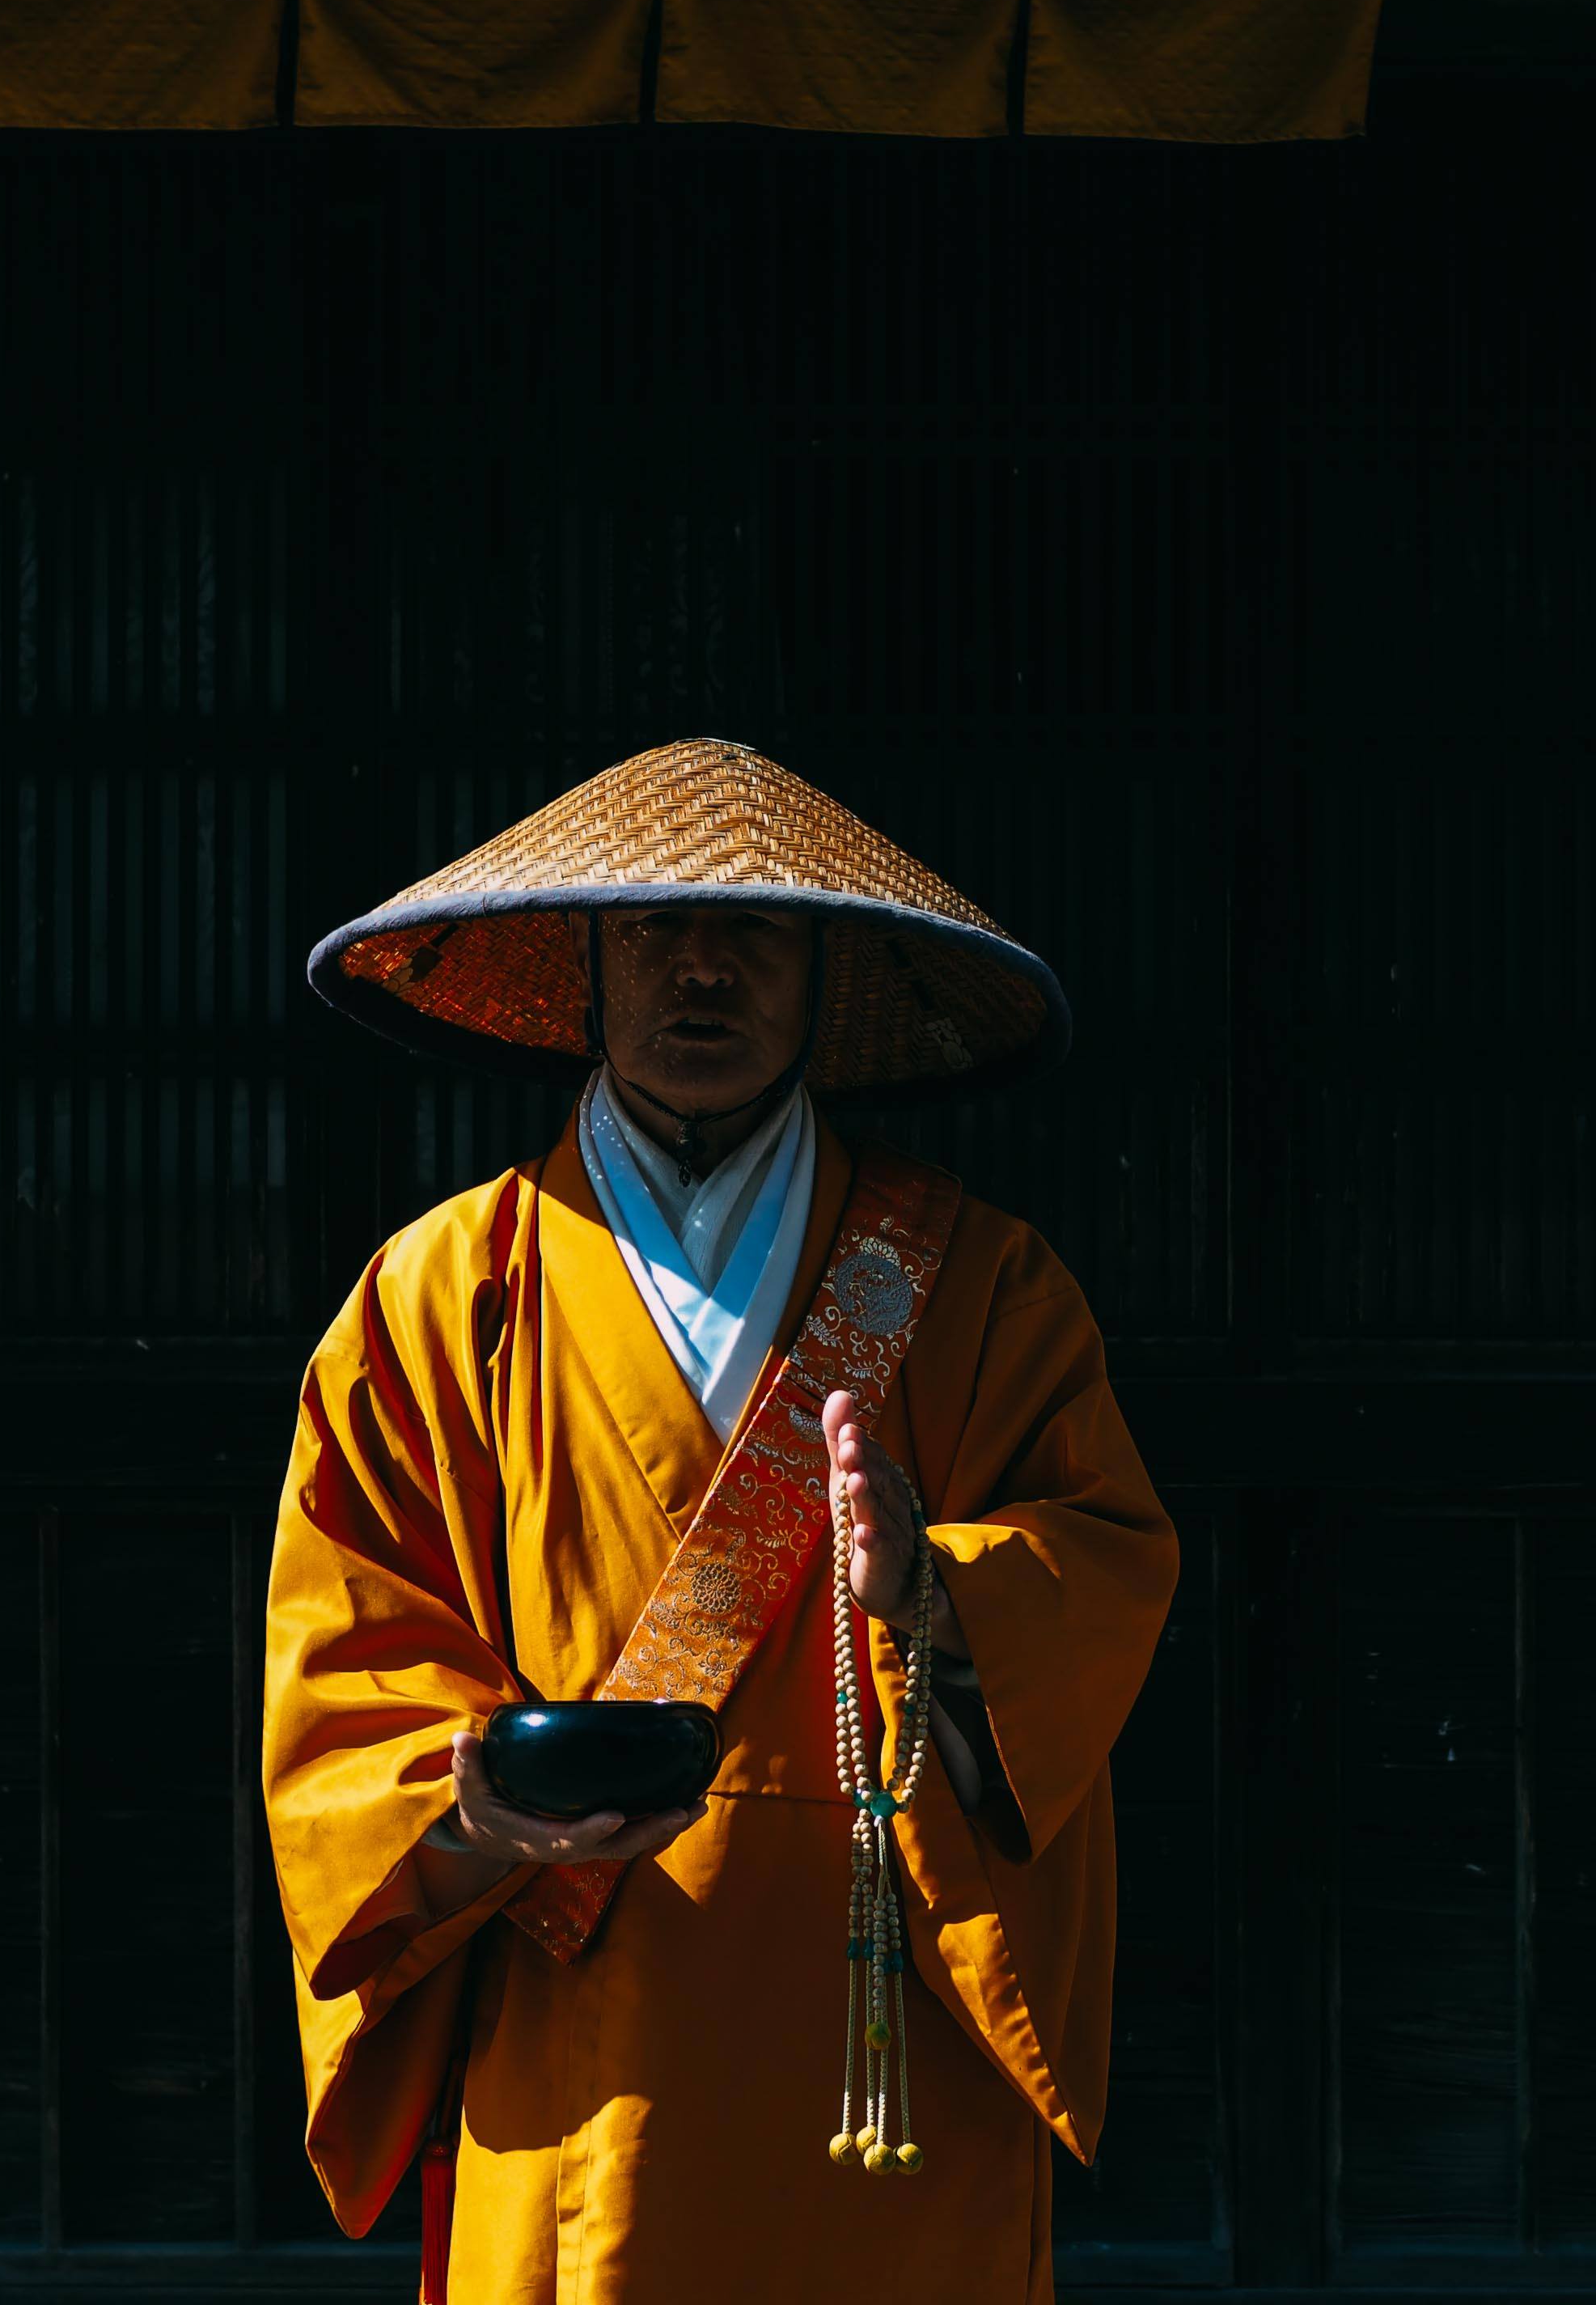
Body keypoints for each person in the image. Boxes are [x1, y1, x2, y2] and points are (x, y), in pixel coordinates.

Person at [262, 738, 1177, 2302]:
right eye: (654, 933)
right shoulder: (438, 1296)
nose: (702, 972)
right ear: (585, 966)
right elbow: (345, 1669)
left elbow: (1102, 1561)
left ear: (826, 972)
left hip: (871, 2038)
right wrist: (482, 1811)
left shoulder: (979, 1284)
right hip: (577, 2003)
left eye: (753, 933)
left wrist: (939, 1595)